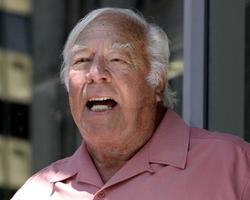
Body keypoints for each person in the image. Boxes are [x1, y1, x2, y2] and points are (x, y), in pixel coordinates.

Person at [12, 7, 250, 200]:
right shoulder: (37, 192)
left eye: (117, 59)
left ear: (157, 81)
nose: (95, 73)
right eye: (82, 60)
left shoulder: (235, 167)